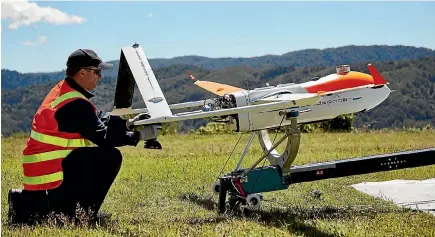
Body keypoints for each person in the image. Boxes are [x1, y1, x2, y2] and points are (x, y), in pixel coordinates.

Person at [8, 48, 160, 225]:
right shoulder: (74, 104)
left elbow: (95, 118)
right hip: (51, 179)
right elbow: (103, 137)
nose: (100, 77)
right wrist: (138, 135)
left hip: (44, 176)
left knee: (95, 156)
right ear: (82, 72)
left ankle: (37, 206)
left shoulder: (65, 92)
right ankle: (80, 217)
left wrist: (128, 123)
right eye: (97, 72)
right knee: (109, 157)